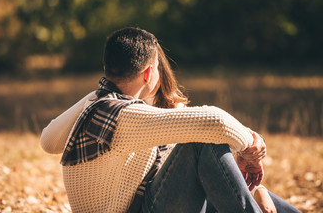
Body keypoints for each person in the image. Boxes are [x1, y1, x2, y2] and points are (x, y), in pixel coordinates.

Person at [40, 27, 300, 213]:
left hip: (147, 203)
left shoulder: (105, 107)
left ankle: (259, 199)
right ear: (149, 73)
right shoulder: (122, 115)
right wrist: (252, 144)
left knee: (269, 201)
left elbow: (48, 141)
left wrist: (97, 93)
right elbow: (214, 122)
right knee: (201, 141)